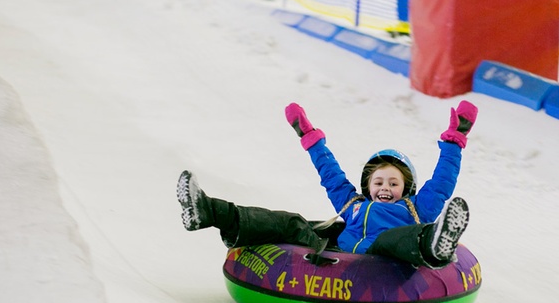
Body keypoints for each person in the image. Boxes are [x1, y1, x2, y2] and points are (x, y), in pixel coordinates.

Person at [176, 100, 478, 269]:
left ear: (406, 188)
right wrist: (310, 138)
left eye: (394, 183)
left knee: (396, 238)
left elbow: (441, 183)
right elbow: (331, 175)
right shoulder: (354, 205)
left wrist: (455, 141)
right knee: (292, 222)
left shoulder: (415, 208)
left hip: (386, 257)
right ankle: (208, 212)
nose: (385, 187)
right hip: (341, 257)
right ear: (367, 186)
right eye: (378, 181)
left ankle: (436, 244)